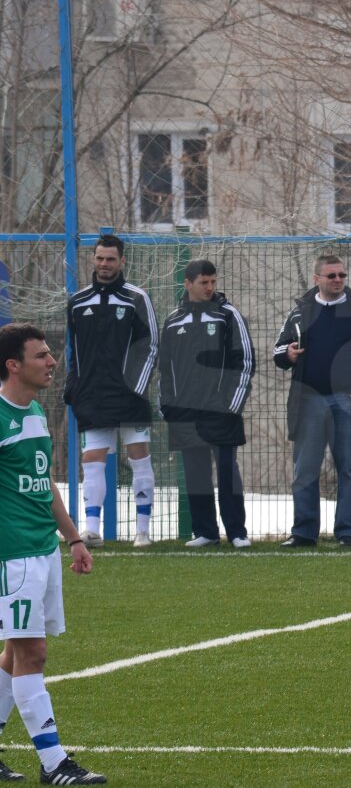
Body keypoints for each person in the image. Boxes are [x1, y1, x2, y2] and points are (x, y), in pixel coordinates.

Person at [0, 324, 106, 783]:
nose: (51, 362)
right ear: (13, 365)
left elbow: (44, 488)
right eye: (41, 355)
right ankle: (53, 763)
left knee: (13, 654)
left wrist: (74, 538)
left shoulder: (38, 413)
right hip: (12, 554)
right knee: (33, 652)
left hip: (42, 548)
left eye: (50, 354)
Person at [272, 255, 351, 547]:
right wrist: (288, 354)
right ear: (317, 280)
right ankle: (303, 533)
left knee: (348, 469)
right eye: (331, 276)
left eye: (341, 275)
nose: (338, 280)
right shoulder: (300, 313)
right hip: (309, 400)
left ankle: (348, 533)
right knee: (304, 470)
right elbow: (278, 351)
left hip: (347, 403)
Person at [64, 233, 158, 547]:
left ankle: (142, 532)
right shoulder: (77, 302)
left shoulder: (137, 298)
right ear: (94, 259)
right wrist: (73, 388)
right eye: (100, 258)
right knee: (92, 458)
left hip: (130, 396)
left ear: (122, 261)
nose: (105, 264)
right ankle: (92, 529)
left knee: (138, 456)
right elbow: (74, 351)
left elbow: (152, 346)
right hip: (93, 394)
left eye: (111, 259)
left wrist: (137, 387)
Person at [159, 259, 255, 548]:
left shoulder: (228, 315)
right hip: (186, 413)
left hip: (222, 410)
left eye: (213, 282)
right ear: (188, 284)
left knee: (227, 471)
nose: (210, 288)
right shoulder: (173, 320)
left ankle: (237, 532)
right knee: (195, 474)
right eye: (204, 282)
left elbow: (245, 361)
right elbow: (165, 369)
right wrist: (169, 406)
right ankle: (206, 532)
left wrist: (232, 405)